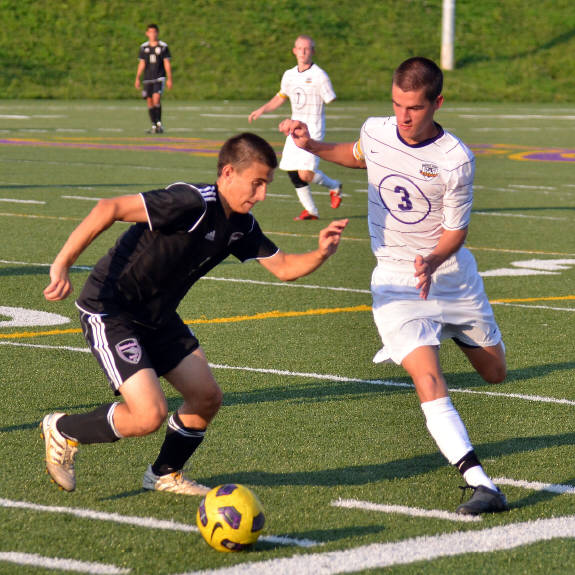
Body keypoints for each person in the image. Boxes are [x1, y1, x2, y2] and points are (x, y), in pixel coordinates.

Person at [41, 132, 348, 495]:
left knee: (206, 398)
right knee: (148, 416)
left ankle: (164, 473)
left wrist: (321, 253)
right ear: (228, 173)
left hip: (158, 317)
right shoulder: (191, 202)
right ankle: (63, 429)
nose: (262, 194)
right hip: (111, 310)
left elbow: (283, 268)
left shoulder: (242, 224)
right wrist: (62, 265)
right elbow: (108, 208)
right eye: (257, 183)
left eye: (266, 184)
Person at [279, 57, 509, 515]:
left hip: (451, 277)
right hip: (396, 280)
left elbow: (456, 231)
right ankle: (480, 482)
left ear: (437, 103)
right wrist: (312, 145)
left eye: (415, 108)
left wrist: (434, 259)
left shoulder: (456, 160)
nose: (403, 116)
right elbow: (358, 155)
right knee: (427, 377)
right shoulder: (377, 130)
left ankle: (450, 330)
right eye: (397, 104)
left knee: (495, 373)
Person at [248, 35, 342, 221]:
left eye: (307, 49)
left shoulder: (320, 76)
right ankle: (311, 211)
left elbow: (330, 98)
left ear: (313, 51)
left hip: (312, 130)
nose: (303, 52)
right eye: (300, 48)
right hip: (293, 130)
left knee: (305, 174)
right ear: (294, 51)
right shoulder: (289, 75)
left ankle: (334, 186)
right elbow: (281, 96)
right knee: (291, 170)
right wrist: (262, 109)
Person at [134, 23, 172, 134]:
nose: (153, 34)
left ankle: (159, 124)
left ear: (157, 33)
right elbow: (142, 63)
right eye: (150, 32)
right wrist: (137, 78)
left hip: (159, 77)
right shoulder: (143, 47)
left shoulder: (163, 46)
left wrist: (169, 78)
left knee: (156, 99)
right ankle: (154, 125)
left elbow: (166, 63)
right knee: (149, 102)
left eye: (154, 32)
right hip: (147, 78)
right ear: (147, 33)